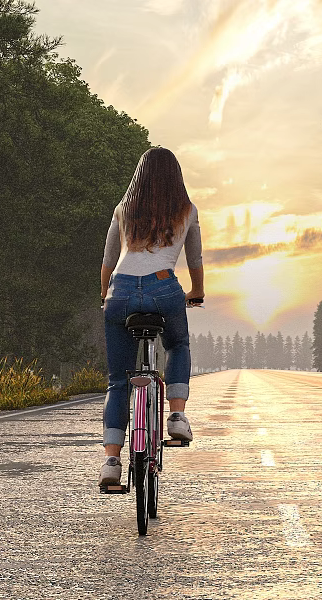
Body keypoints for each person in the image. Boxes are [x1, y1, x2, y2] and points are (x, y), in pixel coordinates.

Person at [98, 147, 205, 486]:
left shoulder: (123, 209)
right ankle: (176, 415)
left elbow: (108, 261)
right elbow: (195, 260)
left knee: (118, 381)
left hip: (121, 291)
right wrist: (196, 292)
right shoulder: (186, 210)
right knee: (177, 345)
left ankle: (111, 464)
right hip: (163, 289)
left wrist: (106, 297)